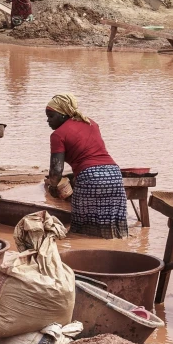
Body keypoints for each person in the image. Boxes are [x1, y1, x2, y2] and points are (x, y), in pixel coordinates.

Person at [45, 94, 127, 238]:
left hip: (90, 178)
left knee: (83, 230)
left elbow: (56, 171)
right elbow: (91, 154)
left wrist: (52, 187)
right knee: (114, 228)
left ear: (63, 114)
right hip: (114, 175)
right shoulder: (91, 123)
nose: (48, 120)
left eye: (51, 116)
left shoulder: (58, 135)